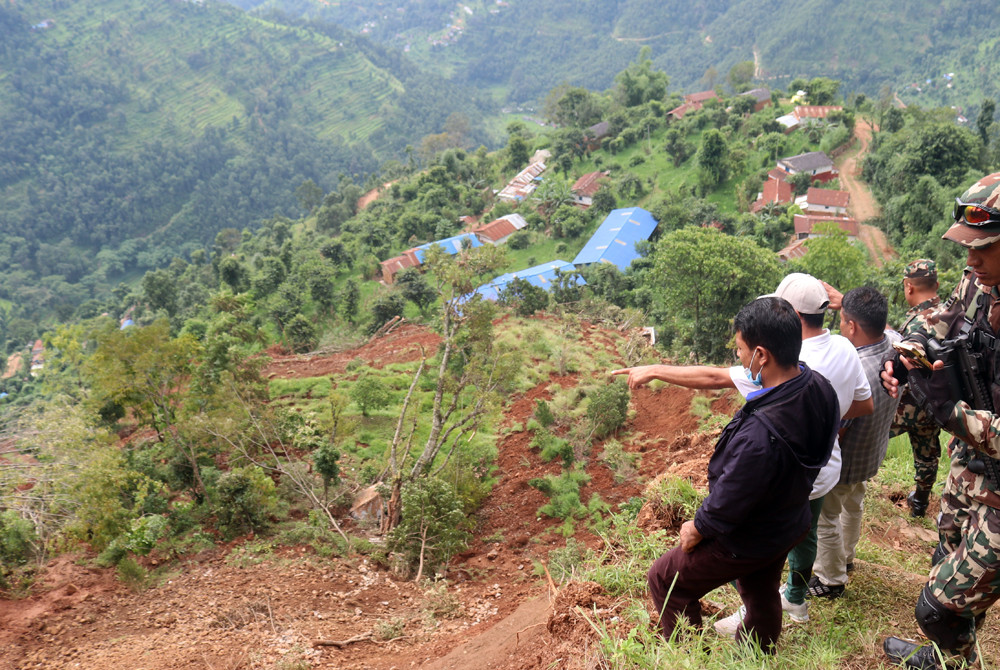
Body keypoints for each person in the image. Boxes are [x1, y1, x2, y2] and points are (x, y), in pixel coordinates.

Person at [612, 273, 872, 628]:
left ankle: (685, 654)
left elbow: (734, 496)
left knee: (664, 579)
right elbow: (845, 421)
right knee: (762, 590)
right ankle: (758, 650)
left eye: (740, 350)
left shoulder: (760, 435)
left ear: (762, 355)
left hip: (751, 533)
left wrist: (697, 527)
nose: (738, 355)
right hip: (790, 520)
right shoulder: (820, 386)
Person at [881, 172, 1000, 669]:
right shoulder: (978, 281)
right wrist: (906, 354)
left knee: (939, 605)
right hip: (970, 464)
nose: (969, 259)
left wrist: (951, 414)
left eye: (984, 247)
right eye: (967, 246)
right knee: (946, 554)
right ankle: (947, 658)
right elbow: (945, 317)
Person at [808, 287, 900, 599]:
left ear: (852, 327)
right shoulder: (891, 351)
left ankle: (830, 579)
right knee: (854, 505)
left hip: (845, 459)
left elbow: (840, 429)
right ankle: (846, 559)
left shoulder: (856, 368)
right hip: (870, 453)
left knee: (826, 519)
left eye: (843, 320)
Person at [890, 260, 943, 517]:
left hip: (906, 404)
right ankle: (920, 502)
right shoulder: (950, 314)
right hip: (935, 401)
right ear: (937, 284)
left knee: (868, 432)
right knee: (927, 451)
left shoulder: (916, 323)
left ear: (908, 287)